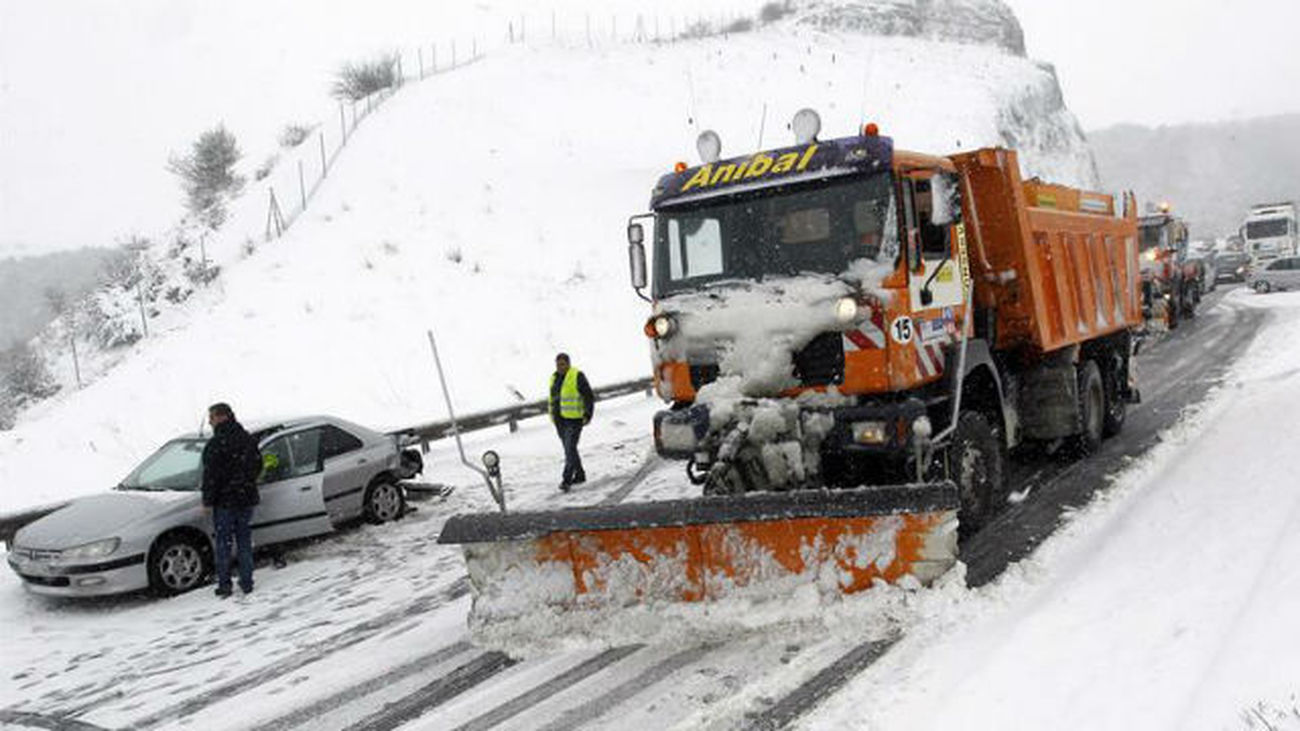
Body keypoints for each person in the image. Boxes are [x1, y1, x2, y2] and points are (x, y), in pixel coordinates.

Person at [201, 402, 263, 598]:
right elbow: (257, 464)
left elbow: (210, 475)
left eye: (211, 418)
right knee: (244, 541)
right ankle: (247, 582)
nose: (210, 422)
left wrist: (207, 501)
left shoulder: (216, 444)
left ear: (221, 417)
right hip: (245, 498)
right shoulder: (246, 438)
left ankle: (225, 584)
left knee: (223, 544)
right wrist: (246, 482)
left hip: (224, 502)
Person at [549, 353, 594, 492]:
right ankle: (580, 474)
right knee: (570, 450)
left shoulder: (577, 375)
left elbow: (588, 396)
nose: (560, 367)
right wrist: (552, 415)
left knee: (569, 449)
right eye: (557, 364)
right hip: (559, 420)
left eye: (562, 364)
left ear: (568, 363)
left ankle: (566, 479)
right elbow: (553, 399)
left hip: (574, 419)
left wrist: (587, 414)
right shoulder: (554, 378)